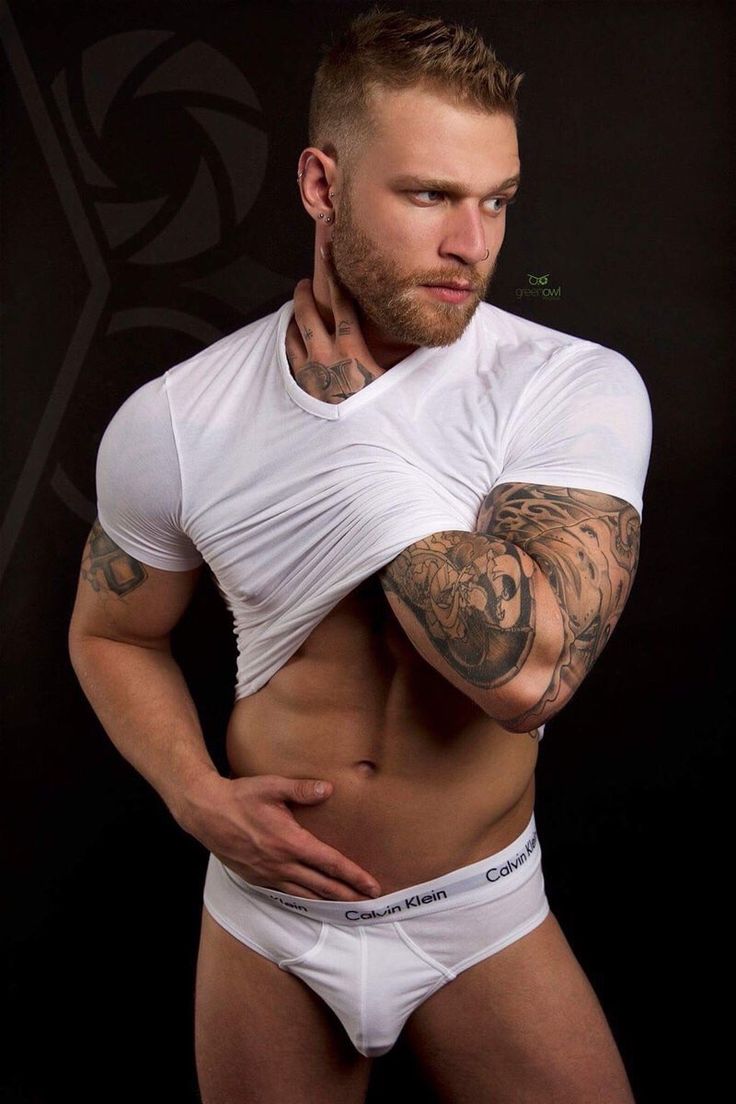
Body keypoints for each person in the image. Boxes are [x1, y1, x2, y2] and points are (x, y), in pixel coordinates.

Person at [68, 7, 651, 1103]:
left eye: (496, 200)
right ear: (320, 185)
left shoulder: (567, 387)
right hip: (267, 921)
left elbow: (528, 678)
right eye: (429, 195)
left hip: (476, 915)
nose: (472, 244)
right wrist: (193, 794)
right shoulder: (179, 417)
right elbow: (112, 632)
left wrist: (346, 431)